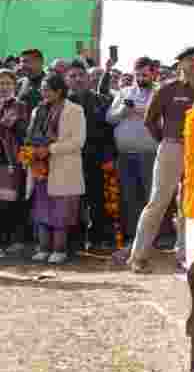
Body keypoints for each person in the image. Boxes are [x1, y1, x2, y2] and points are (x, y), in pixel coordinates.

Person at [125, 46, 194, 273]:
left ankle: (185, 254)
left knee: (190, 203)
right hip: (172, 147)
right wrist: (165, 142)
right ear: (180, 65)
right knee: (158, 200)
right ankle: (138, 256)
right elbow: (149, 119)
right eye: (190, 60)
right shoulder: (167, 89)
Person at [24, 74, 85, 264]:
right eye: (42, 89)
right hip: (41, 167)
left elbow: (78, 142)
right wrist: (32, 151)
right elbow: (30, 135)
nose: (43, 93)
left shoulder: (74, 110)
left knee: (61, 210)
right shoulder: (38, 110)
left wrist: (49, 149)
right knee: (42, 207)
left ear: (59, 91)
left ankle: (60, 250)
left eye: (47, 89)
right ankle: (43, 248)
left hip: (63, 166)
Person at [108, 58, 160, 251]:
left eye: (145, 74)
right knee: (129, 198)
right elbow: (110, 118)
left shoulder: (160, 93)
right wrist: (123, 110)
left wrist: (143, 111)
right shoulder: (124, 93)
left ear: (153, 74)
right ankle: (132, 239)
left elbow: (164, 119)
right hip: (126, 154)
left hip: (149, 154)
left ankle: (150, 241)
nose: (140, 78)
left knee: (150, 199)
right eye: (137, 74)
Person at [65, 59, 114, 250]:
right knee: (73, 201)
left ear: (88, 78)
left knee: (97, 200)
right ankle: (74, 240)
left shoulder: (101, 100)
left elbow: (108, 132)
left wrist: (109, 156)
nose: (77, 79)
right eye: (72, 76)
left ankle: (97, 239)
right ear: (66, 79)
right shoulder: (60, 103)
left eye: (81, 75)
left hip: (96, 158)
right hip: (69, 160)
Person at [0, 70, 29, 251]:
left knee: (9, 202)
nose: (4, 87)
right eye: (1, 83)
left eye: (7, 83)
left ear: (14, 86)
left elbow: (21, 131)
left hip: (9, 159)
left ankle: (12, 241)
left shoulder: (19, 106)